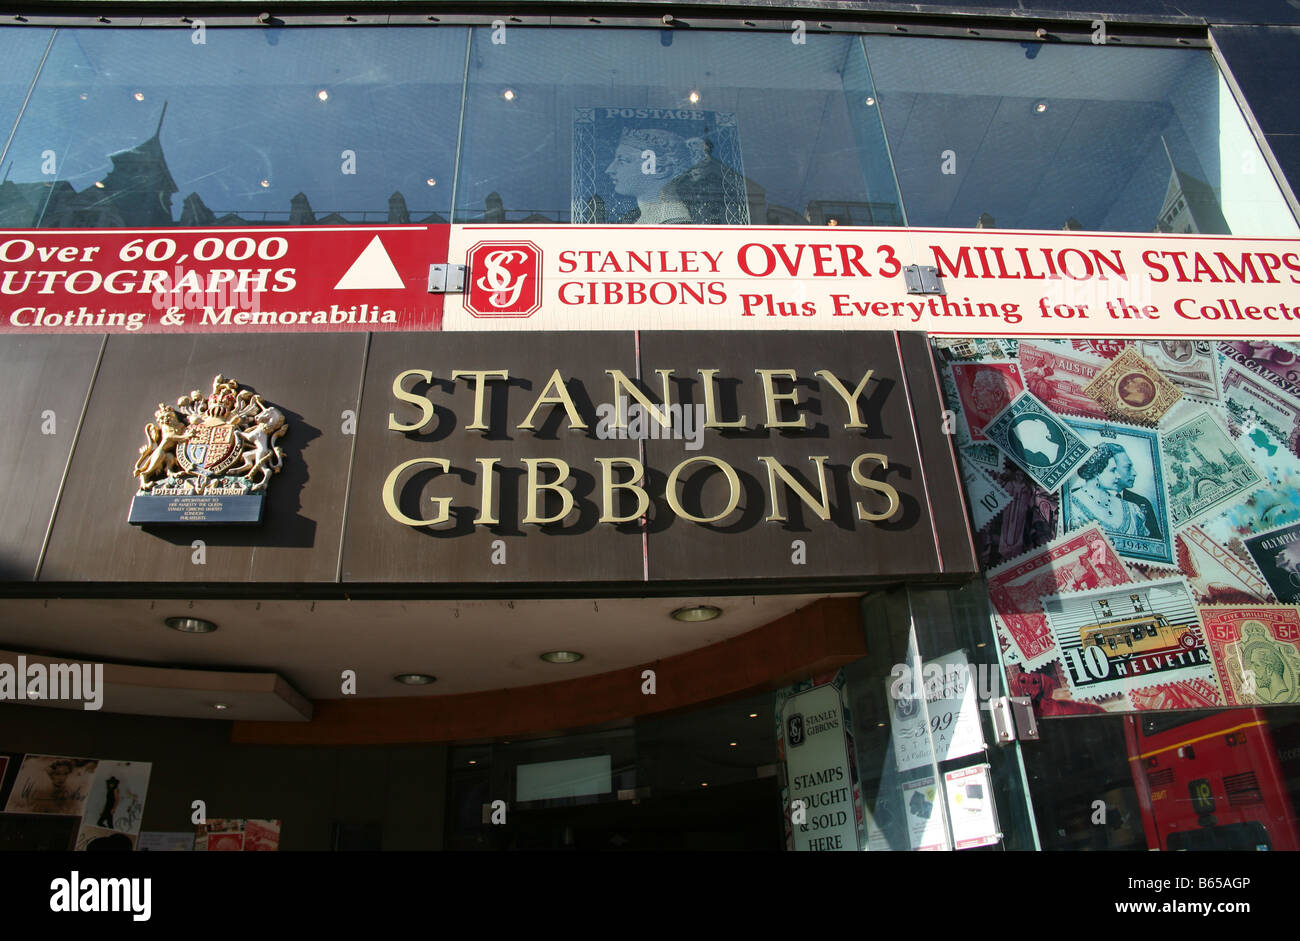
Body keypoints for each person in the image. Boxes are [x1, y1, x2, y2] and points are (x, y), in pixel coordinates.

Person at [604, 127, 694, 225]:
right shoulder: (641, 217)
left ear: (660, 169)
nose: (609, 170)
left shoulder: (674, 221)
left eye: (623, 161)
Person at [1069, 443, 1150, 536]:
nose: (1118, 476)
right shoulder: (1071, 505)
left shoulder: (1132, 508)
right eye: (1113, 470)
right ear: (1097, 471)